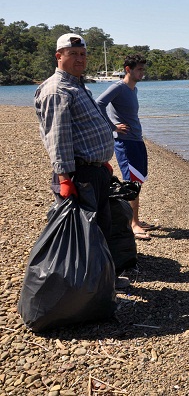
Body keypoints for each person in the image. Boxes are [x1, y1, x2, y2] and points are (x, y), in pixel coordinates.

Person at [34, 33, 121, 282]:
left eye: (82, 54)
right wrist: (64, 178)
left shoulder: (77, 85)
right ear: (59, 56)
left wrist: (101, 161)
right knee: (85, 234)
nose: (80, 59)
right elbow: (57, 138)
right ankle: (87, 288)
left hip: (95, 171)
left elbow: (85, 130)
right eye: (73, 54)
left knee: (101, 228)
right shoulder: (56, 90)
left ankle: (104, 281)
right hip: (78, 175)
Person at [96, 54, 155, 241]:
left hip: (137, 139)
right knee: (131, 183)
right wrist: (112, 127)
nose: (142, 72)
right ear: (128, 69)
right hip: (125, 142)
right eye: (139, 69)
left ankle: (135, 219)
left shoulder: (133, 90)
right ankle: (132, 224)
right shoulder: (118, 87)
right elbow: (98, 104)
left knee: (138, 180)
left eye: (143, 69)